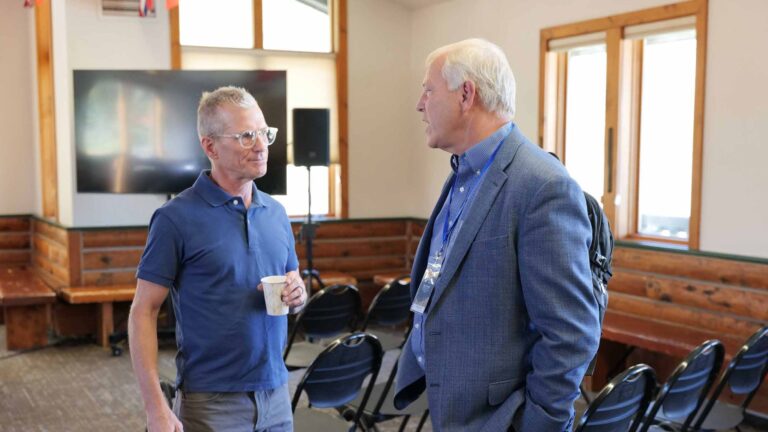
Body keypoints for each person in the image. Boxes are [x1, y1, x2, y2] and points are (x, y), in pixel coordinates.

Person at [394, 39, 601, 431]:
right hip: (454, 405)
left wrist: (538, 424)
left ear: (466, 94)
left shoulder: (541, 185)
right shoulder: (464, 173)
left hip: (501, 418)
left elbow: (571, 335)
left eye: (429, 89)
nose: (420, 104)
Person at [128, 86, 307, 432]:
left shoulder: (277, 213)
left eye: (264, 133)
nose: (261, 145)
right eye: (245, 136)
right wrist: (155, 408)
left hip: (276, 394)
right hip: (211, 403)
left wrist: (297, 292)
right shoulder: (174, 218)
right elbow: (143, 311)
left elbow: (293, 282)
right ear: (210, 146)